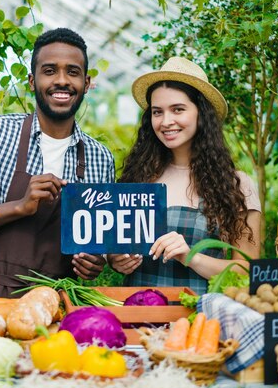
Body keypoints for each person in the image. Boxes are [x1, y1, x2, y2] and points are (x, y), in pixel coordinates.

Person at [0, 28, 115, 297]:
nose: (62, 81)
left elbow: (97, 243)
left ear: (86, 84)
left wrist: (93, 262)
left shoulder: (100, 158)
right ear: (32, 81)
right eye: (50, 71)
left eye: (73, 72)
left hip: (59, 299)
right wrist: (18, 207)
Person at [108, 57, 261, 295]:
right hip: (137, 317)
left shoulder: (236, 185)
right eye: (157, 112)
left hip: (202, 321)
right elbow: (117, 249)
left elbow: (248, 270)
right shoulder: (137, 178)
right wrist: (116, 261)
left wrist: (190, 256)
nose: (166, 121)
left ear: (202, 113)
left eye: (178, 109)